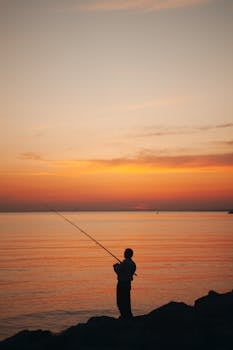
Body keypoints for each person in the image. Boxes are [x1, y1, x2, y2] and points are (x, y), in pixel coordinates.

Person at [113, 248, 136, 319]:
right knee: (127, 300)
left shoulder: (124, 263)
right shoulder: (133, 264)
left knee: (120, 301)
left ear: (126, 254)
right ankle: (128, 315)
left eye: (125, 253)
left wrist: (115, 267)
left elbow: (118, 271)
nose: (124, 254)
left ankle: (124, 316)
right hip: (128, 284)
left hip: (121, 284)